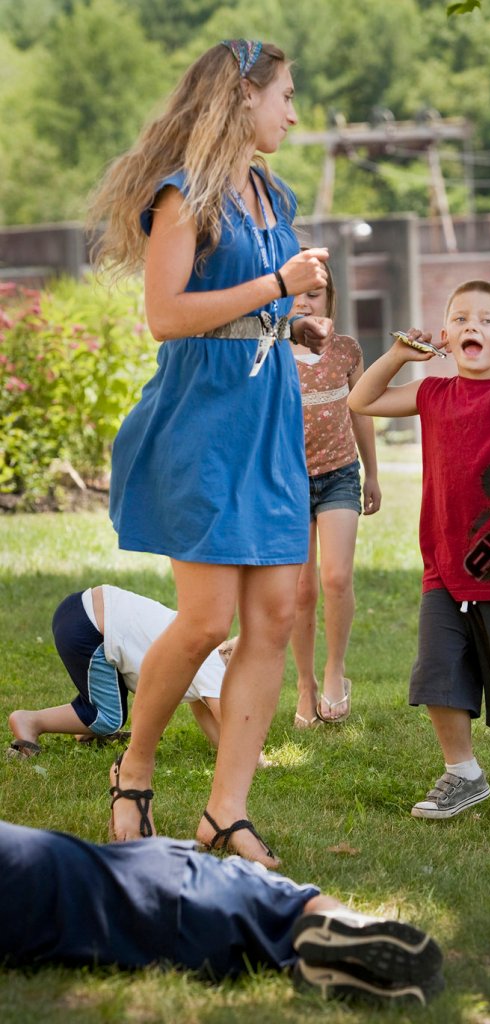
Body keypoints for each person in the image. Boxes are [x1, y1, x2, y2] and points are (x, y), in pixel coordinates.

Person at [87, 40, 334, 865]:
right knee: (204, 620)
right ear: (241, 99)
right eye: (286, 96)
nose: (293, 113)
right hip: (202, 420)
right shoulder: (181, 195)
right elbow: (167, 314)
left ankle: (225, 813)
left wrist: (291, 322)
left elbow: (248, 302)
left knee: (276, 613)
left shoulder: (273, 192)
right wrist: (276, 288)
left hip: (268, 413)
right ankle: (136, 767)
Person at [348, 279, 490, 821]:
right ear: (446, 338)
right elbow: (363, 399)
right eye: (459, 318)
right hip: (445, 565)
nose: (471, 324)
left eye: (488, 319)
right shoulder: (431, 394)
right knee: (436, 672)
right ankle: (463, 772)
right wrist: (400, 354)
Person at [0, 818, 444, 1006]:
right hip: (165, 893)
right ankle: (334, 921)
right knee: (260, 891)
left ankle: (314, 959)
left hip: (106, 938)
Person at [289, 261, 381, 727]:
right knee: (301, 589)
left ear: (331, 300)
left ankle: (334, 671)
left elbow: (362, 413)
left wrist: (373, 473)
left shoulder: (346, 350)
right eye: (297, 294)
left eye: (315, 295)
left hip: (341, 475)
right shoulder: (273, 353)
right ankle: (304, 685)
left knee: (336, 578)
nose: (305, 303)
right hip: (288, 481)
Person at [7, 585, 243, 762]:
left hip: (82, 608)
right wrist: (255, 760)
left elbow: (209, 717)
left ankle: (84, 730)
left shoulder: (206, 650)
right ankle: (30, 721)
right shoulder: (213, 668)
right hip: (89, 629)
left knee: (106, 703)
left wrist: (222, 746)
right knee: (108, 718)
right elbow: (232, 724)